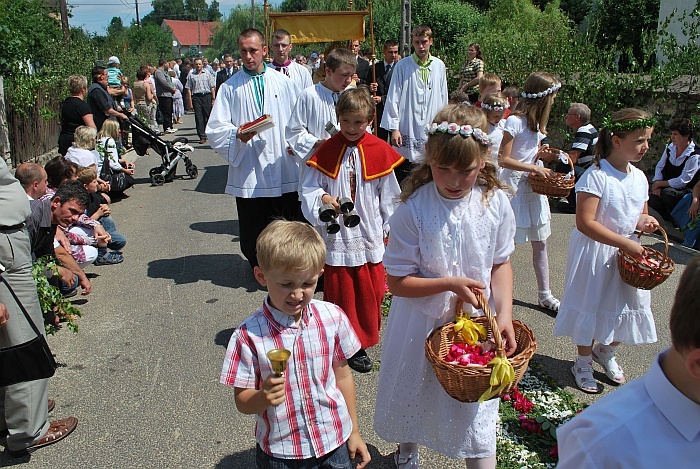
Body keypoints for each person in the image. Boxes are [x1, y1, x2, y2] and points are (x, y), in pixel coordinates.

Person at [374, 104, 516, 468]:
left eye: (465, 170)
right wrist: (450, 283)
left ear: (483, 160)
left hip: (475, 324)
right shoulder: (413, 209)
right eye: (443, 169)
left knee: (475, 406)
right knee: (413, 391)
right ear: (428, 160)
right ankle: (408, 450)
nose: (453, 180)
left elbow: (500, 262)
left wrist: (505, 314)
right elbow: (398, 283)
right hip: (420, 321)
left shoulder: (495, 202)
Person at [220, 220, 371, 469]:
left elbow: (342, 376)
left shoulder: (332, 317)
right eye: (286, 284)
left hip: (334, 440)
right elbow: (242, 401)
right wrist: (263, 396)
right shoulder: (248, 336)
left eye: (307, 284)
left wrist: (354, 431)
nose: (298, 294)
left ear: (320, 275)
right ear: (261, 276)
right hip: (282, 452)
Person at [556, 254, 700, 468]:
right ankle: (584, 360)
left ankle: (603, 352)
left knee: (624, 315)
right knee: (594, 308)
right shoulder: (606, 447)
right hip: (606, 259)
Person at [554, 108, 659, 393]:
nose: (646, 147)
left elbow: (639, 213)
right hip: (597, 253)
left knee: (628, 305)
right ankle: (583, 360)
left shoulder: (639, 177)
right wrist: (624, 241)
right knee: (592, 303)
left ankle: (606, 351)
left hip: (626, 254)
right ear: (616, 140)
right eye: (639, 140)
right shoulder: (597, 176)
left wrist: (645, 222)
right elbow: (585, 222)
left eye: (647, 140)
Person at [300, 87, 403, 372]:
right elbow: (308, 188)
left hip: (368, 231)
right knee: (341, 289)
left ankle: (364, 338)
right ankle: (344, 343)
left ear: (369, 120)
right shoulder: (327, 149)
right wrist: (323, 199)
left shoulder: (379, 150)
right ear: (338, 118)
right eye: (346, 121)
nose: (352, 128)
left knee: (371, 291)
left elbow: (391, 195)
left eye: (358, 122)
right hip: (339, 235)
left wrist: (390, 228)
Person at [0, 157, 78, 457]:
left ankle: (15, 415)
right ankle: (29, 430)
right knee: (25, 343)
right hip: (6, 247)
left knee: (13, 341)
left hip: (9, 238)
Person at [207, 28, 303, 269]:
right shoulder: (229, 88)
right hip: (250, 167)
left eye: (253, 50)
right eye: (243, 51)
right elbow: (216, 128)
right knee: (254, 225)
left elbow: (299, 120)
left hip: (283, 165)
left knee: (289, 222)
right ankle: (259, 267)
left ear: (264, 51)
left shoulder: (285, 83)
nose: (248, 56)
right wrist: (237, 134)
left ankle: (290, 267)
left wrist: (297, 144)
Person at [498, 71, 561, 312]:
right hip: (514, 189)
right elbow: (503, 159)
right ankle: (499, 293)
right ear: (542, 98)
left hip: (533, 188)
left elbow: (529, 153)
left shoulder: (536, 126)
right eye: (552, 97)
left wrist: (541, 155)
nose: (554, 101)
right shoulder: (515, 122)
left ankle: (545, 293)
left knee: (541, 242)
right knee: (506, 244)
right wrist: (532, 165)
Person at [381, 25, 448, 185]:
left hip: (431, 122)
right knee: (407, 169)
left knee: (429, 165)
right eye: (417, 42)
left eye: (424, 42)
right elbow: (393, 96)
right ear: (412, 42)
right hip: (407, 123)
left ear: (431, 41)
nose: (421, 46)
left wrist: (443, 122)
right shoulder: (403, 65)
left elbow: (443, 95)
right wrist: (394, 128)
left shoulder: (439, 65)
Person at [285, 47, 357, 191]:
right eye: (344, 75)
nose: (348, 80)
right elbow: (294, 131)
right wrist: (317, 143)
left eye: (352, 75)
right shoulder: (309, 95)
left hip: (347, 167)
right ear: (328, 71)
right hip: (317, 167)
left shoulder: (353, 95)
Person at [649, 118, 699, 222]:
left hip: (685, 191)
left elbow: (683, 180)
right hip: (667, 186)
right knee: (652, 199)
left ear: (686, 136)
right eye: (672, 134)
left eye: (675, 134)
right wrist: (657, 184)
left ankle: (680, 220)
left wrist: (660, 184)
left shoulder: (694, 155)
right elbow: (660, 166)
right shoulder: (670, 148)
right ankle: (671, 220)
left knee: (668, 194)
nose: (672, 137)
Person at [554, 103, 599, 213]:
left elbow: (572, 159)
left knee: (563, 166)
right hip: (591, 168)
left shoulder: (583, 131)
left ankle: (575, 204)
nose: (566, 117)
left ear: (577, 117)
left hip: (588, 171)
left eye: (569, 114)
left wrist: (552, 157)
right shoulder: (590, 128)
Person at [76, 166, 127, 257]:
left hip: (100, 226)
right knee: (120, 241)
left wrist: (104, 207)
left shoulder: (93, 194)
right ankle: (101, 253)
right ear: (85, 186)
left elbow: (102, 203)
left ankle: (108, 238)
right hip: (89, 230)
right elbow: (83, 222)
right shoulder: (81, 201)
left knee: (107, 218)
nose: (97, 184)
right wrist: (99, 213)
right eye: (94, 182)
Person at [95, 120, 135, 197]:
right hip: (104, 174)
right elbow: (113, 163)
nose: (119, 131)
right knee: (130, 180)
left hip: (99, 171)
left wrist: (124, 161)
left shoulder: (99, 140)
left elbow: (107, 158)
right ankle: (115, 192)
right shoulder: (110, 141)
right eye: (117, 129)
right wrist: (126, 171)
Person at [369, 39, 400, 142]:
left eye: (396, 52)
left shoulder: (400, 69)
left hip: (394, 111)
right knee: (380, 140)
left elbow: (401, 92)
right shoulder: (374, 68)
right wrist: (370, 88)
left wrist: (382, 99)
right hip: (379, 112)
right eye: (390, 52)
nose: (394, 55)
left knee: (395, 141)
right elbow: (363, 85)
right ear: (384, 51)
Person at [58, 75, 96, 156]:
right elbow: (91, 127)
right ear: (83, 89)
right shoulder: (82, 106)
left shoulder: (66, 103)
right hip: (78, 142)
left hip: (64, 139)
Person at [87, 66, 129, 134]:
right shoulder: (96, 90)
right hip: (102, 128)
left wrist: (122, 87)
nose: (108, 77)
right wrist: (120, 115)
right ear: (101, 76)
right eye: (106, 75)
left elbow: (112, 91)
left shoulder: (102, 88)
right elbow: (106, 109)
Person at [186, 58, 216, 145]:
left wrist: (213, 98)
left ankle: (210, 134)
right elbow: (188, 89)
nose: (198, 66)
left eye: (199, 64)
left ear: (202, 65)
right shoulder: (191, 74)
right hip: (196, 97)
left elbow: (212, 86)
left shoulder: (207, 73)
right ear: (194, 65)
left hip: (206, 95)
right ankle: (202, 136)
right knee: (199, 117)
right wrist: (190, 101)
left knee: (208, 116)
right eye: (196, 64)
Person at [481, 92, 509, 167]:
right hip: (487, 162)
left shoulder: (504, 124)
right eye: (495, 116)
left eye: (501, 115)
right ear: (486, 113)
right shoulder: (482, 126)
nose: (499, 118)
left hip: (500, 162)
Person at [154, 58, 177, 134]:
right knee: (166, 111)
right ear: (164, 63)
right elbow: (164, 83)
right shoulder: (159, 72)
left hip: (168, 95)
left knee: (169, 111)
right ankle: (167, 127)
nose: (168, 65)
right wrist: (171, 89)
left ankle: (169, 126)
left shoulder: (165, 72)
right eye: (167, 63)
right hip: (163, 95)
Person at [133, 67, 157, 131]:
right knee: (149, 121)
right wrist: (153, 95)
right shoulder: (146, 84)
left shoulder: (135, 84)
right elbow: (149, 97)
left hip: (138, 104)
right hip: (145, 104)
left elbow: (134, 97)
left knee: (141, 120)